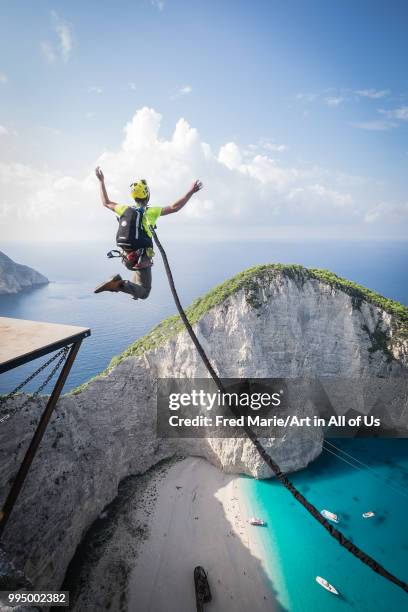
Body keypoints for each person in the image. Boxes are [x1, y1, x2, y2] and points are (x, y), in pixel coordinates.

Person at [94, 166, 202, 299]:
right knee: (144, 292)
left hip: (126, 257)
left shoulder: (124, 209)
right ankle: (118, 284)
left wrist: (101, 181)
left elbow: (106, 202)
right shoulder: (150, 212)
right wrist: (191, 191)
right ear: (147, 194)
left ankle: (126, 285)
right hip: (141, 256)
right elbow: (175, 207)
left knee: (137, 279)